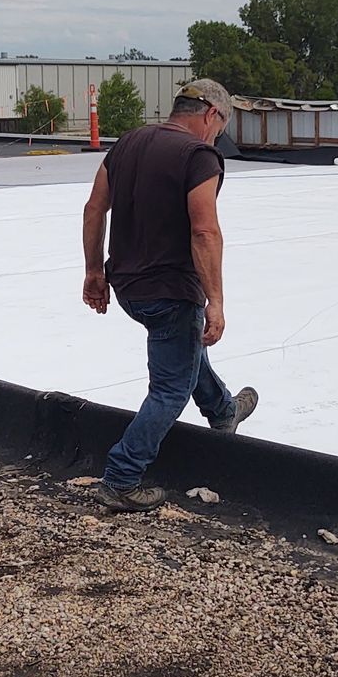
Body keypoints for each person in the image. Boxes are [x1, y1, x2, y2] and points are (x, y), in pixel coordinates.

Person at [81, 78, 259, 512]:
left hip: (127, 285)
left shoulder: (128, 143)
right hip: (170, 291)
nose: (217, 136)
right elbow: (204, 230)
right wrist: (215, 300)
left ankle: (222, 410)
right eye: (220, 127)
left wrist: (92, 270)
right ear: (211, 115)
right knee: (170, 389)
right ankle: (121, 478)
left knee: (182, 347)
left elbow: (93, 208)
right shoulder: (199, 156)